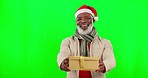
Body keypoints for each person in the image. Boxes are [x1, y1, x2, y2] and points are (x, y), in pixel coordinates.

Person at [57, 5, 116, 78]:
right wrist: (63, 62)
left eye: (87, 18)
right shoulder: (67, 41)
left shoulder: (105, 42)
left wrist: (105, 65)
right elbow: (63, 53)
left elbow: (111, 59)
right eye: (79, 19)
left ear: (93, 20)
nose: (83, 21)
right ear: (76, 22)